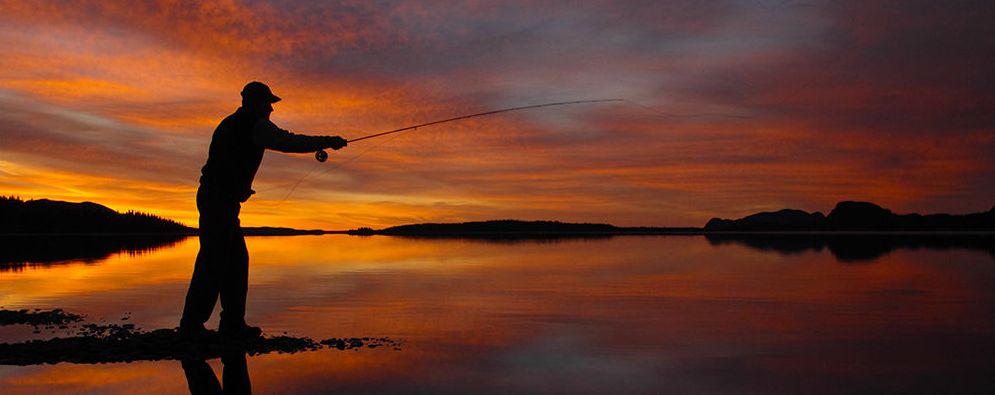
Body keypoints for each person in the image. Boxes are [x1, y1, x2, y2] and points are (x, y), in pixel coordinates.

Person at [179, 81, 347, 339]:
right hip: (218, 200)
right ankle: (192, 326)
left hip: (220, 199)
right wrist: (327, 141)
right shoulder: (254, 123)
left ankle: (232, 323)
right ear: (254, 102)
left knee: (235, 261)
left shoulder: (231, 123)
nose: (271, 108)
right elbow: (287, 140)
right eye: (268, 103)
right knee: (213, 261)